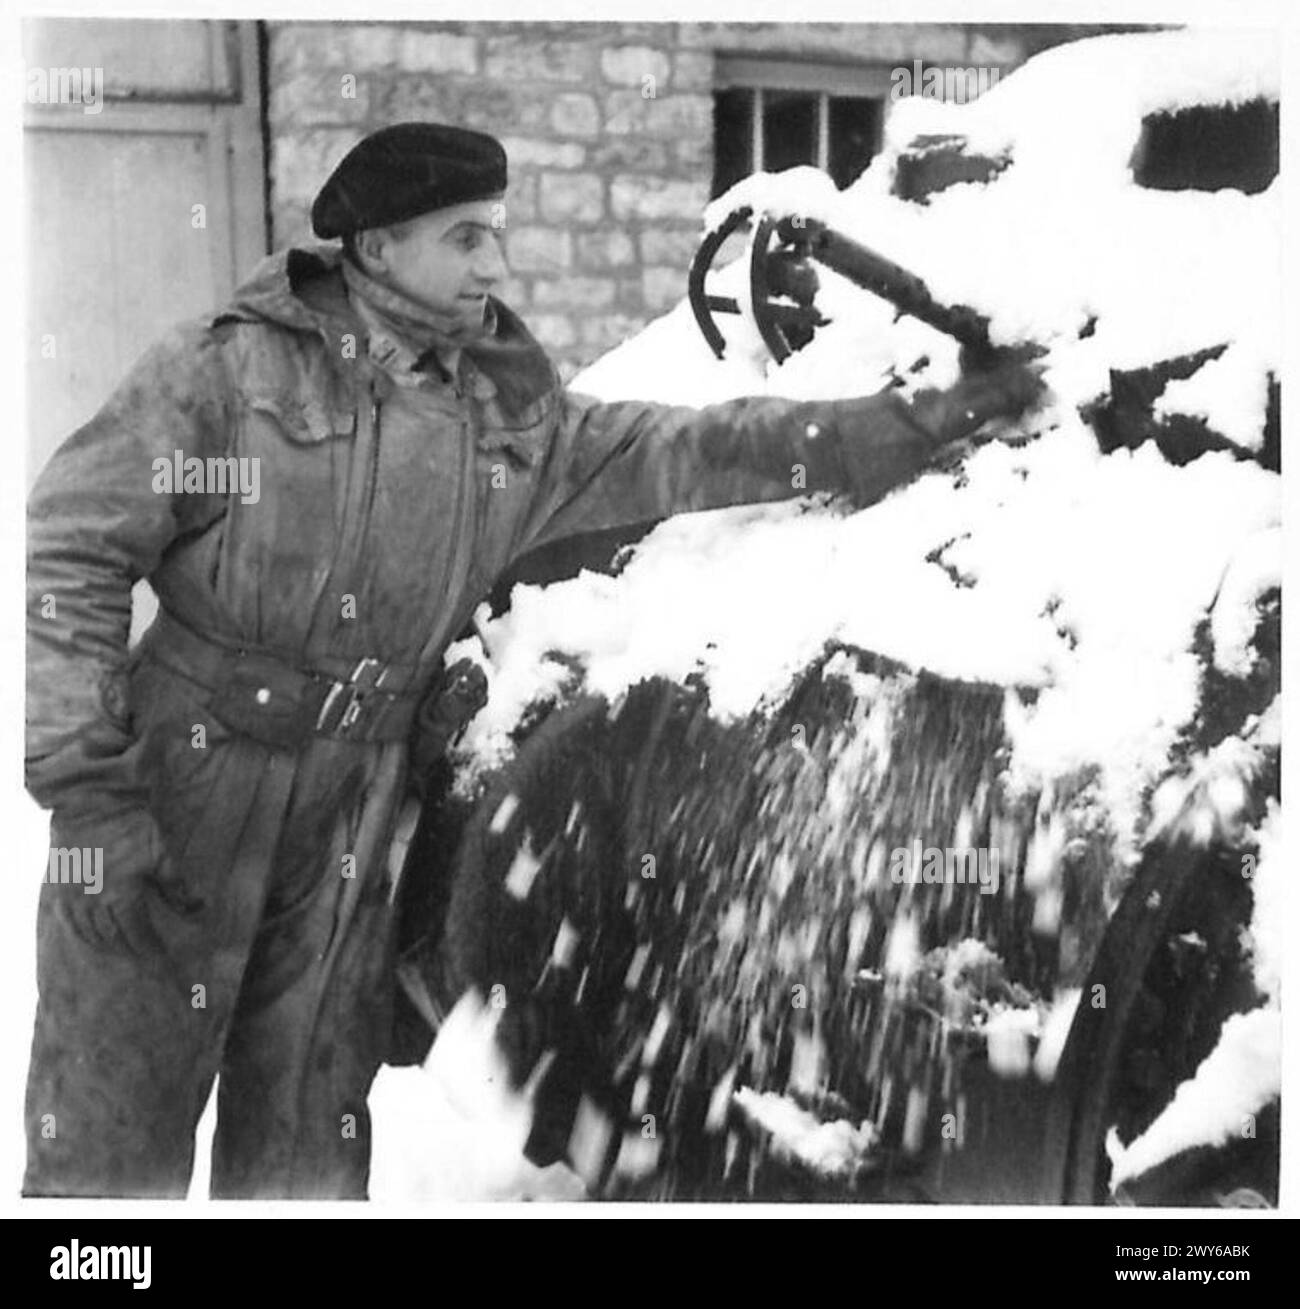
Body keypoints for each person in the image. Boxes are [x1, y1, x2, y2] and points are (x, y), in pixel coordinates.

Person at [24, 122, 1042, 1199]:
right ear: (375, 249)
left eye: (496, 236)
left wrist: (906, 423)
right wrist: (90, 791)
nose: (494, 265)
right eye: (465, 239)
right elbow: (71, 545)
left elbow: (688, 449)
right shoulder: (227, 371)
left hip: (351, 818)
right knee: (108, 1143)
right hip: (184, 782)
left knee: (302, 1152)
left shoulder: (507, 422)